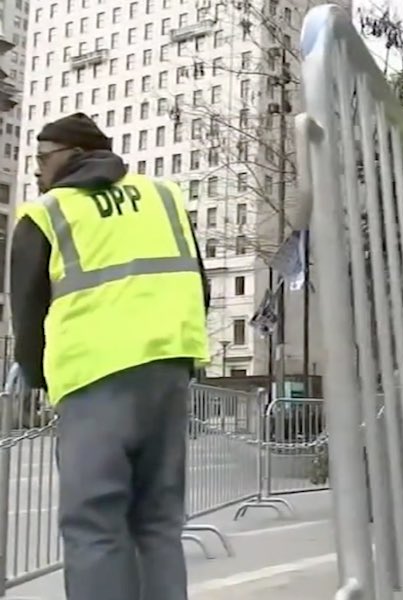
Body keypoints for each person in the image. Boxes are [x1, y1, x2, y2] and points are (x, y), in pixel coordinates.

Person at [10, 113, 211, 600]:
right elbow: (199, 285)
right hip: (168, 372)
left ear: (73, 156)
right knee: (159, 521)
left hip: (92, 379)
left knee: (94, 523)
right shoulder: (164, 198)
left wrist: (35, 374)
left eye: (43, 158)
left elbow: (27, 310)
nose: (37, 171)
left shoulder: (47, 212)